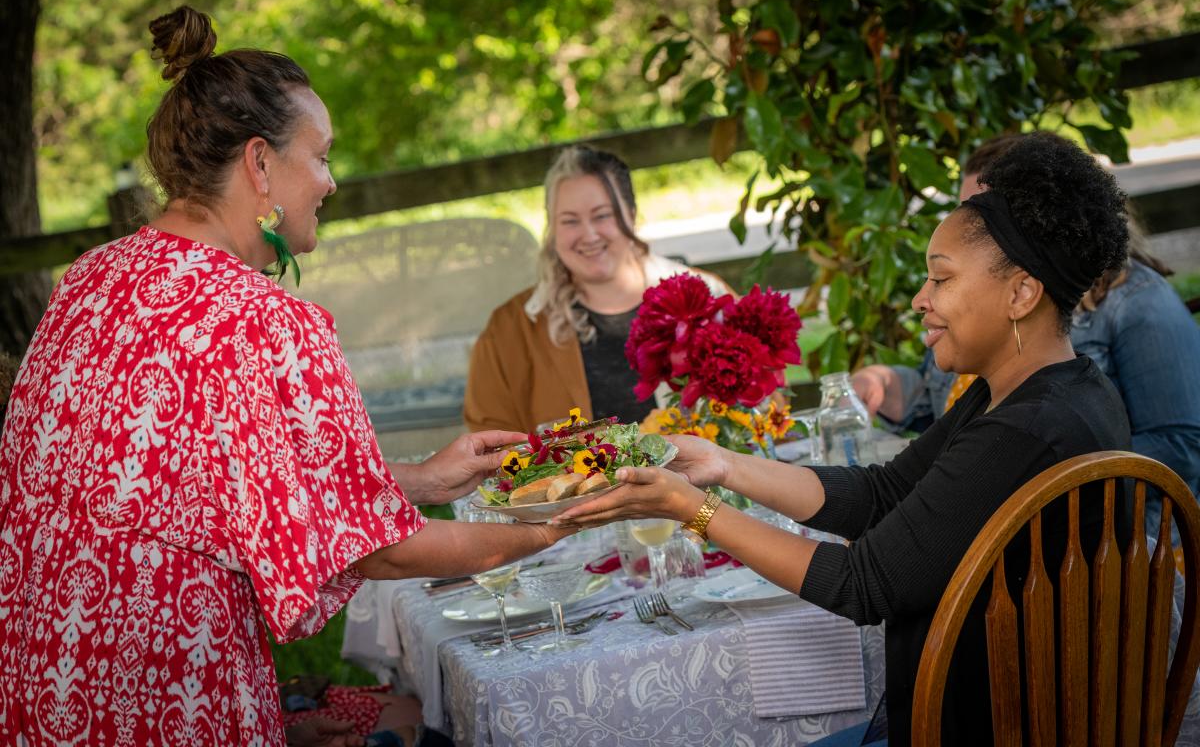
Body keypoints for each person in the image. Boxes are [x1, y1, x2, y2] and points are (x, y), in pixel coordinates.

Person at [0, 6, 574, 747]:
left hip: (44, 683)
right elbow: (382, 550)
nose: (331, 182)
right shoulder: (265, 320)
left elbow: (209, 484)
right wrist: (560, 521)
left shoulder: (92, 279)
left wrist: (424, 480)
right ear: (260, 163)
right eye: (323, 155)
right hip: (172, 693)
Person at [554, 132, 1132, 745]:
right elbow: (883, 493)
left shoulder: (1028, 430)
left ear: (1021, 293)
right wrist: (722, 465)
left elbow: (861, 584)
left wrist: (688, 509)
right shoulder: (1045, 391)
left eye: (941, 279)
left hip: (1002, 726)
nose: (921, 300)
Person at [854, 134, 1200, 535]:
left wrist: (1030, 469)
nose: (968, 227)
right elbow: (944, 399)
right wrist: (886, 382)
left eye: (985, 215)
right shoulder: (979, 311)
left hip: (1127, 550)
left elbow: (1182, 445)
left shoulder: (1137, 303)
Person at [463, 145, 730, 433]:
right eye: (570, 221)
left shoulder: (707, 298)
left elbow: (760, 412)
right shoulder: (510, 330)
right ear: (552, 228)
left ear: (631, 214)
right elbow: (489, 441)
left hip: (694, 479)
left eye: (602, 215)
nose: (589, 235)